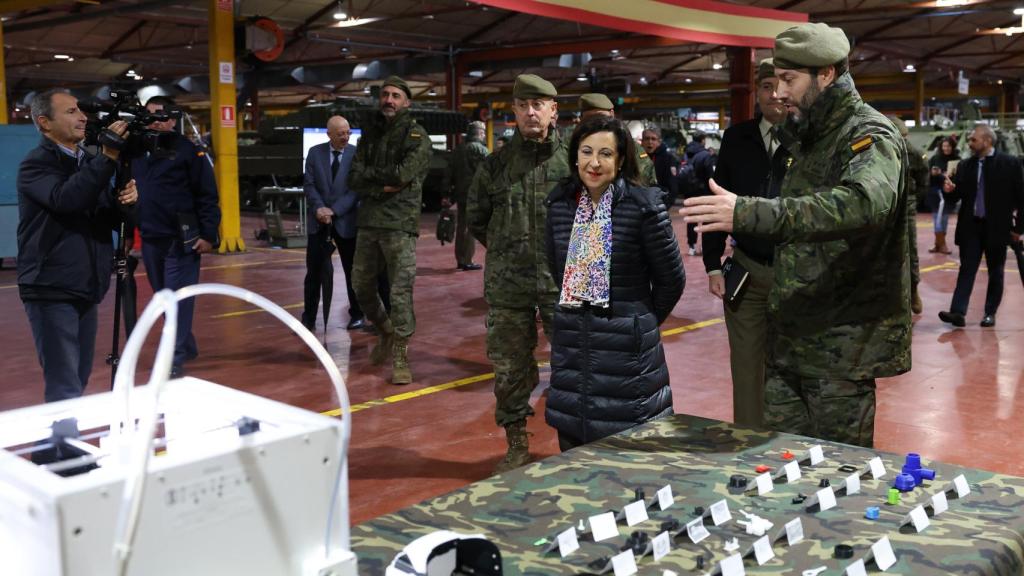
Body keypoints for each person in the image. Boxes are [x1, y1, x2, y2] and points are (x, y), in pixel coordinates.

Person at [680, 22, 912, 448]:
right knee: (784, 462)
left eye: (789, 80)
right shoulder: (808, 134)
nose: (779, 91)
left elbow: (864, 203)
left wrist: (748, 212)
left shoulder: (867, 135)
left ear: (826, 74)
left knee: (840, 472)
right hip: (790, 334)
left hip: (840, 345)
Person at [544, 116, 684, 450]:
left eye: (606, 154)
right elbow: (555, 265)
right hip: (572, 347)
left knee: (629, 452)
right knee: (575, 450)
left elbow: (671, 279)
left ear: (621, 160)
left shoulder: (643, 206)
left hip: (627, 352)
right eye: (586, 151)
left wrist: (638, 320)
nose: (594, 162)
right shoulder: (560, 204)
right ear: (575, 156)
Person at [467, 74, 570, 473]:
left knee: (575, 361)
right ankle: (516, 442)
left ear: (553, 110)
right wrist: (510, 250)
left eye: (539, 104)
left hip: (564, 281)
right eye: (523, 105)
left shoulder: (574, 162)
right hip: (509, 284)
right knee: (510, 365)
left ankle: (575, 438)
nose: (531, 112)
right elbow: (478, 219)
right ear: (513, 111)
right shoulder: (495, 166)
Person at [17, 88, 138, 402]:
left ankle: (56, 450)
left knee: (79, 378)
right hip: (51, 285)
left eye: (81, 111)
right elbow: (67, 199)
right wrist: (107, 158)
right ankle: (62, 450)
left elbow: (101, 217)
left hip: (86, 284)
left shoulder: (88, 161)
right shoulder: (37, 164)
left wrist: (124, 203)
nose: (83, 117)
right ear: (44, 122)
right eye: (71, 112)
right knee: (65, 384)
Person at [701, 58, 790, 429]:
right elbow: (717, 199)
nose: (775, 95)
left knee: (791, 367)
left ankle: (789, 445)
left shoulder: (812, 139)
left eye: (782, 86)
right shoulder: (737, 138)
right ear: (758, 93)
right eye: (766, 87)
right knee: (747, 367)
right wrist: (711, 263)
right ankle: (749, 446)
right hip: (747, 269)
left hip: (795, 272)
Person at [348, 76, 432, 385]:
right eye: (385, 94)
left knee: (400, 291)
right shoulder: (368, 137)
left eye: (396, 95)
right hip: (369, 221)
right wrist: (380, 183)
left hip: (399, 223)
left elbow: (401, 175)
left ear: (407, 102)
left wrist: (377, 181)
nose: (389, 100)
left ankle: (400, 355)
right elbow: (353, 178)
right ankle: (384, 330)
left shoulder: (416, 136)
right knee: (360, 285)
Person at [133, 95, 220, 377]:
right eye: (148, 115)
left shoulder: (188, 151)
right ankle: (186, 343)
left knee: (177, 299)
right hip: (150, 236)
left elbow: (207, 195)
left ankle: (174, 356)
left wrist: (208, 234)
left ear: (172, 119)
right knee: (163, 296)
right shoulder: (138, 151)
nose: (153, 120)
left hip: (180, 238)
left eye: (159, 115)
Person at [301, 115, 388, 332]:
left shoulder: (355, 155)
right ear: (329, 134)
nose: (345, 137)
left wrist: (335, 210)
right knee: (314, 273)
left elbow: (356, 189)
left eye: (348, 133)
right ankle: (308, 318)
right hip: (319, 222)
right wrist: (319, 208)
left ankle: (357, 315)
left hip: (346, 223)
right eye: (340, 134)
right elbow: (309, 185)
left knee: (353, 272)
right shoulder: (315, 153)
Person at [938, 124, 1024, 328]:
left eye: (973, 139)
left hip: (997, 227)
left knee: (996, 270)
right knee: (967, 268)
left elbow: (1021, 199)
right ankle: (958, 312)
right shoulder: (966, 165)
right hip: (971, 227)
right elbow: (959, 195)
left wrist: (1018, 229)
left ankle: (990, 313)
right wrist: (950, 190)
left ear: (987, 141)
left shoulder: (1010, 164)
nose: (970, 143)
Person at [889, 115, 927, 315]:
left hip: (907, 203)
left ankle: (913, 290)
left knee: (910, 249)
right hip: (887, 203)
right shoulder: (881, 149)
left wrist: (914, 198)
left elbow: (923, 177)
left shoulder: (913, 153)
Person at [577, 93, 656, 186]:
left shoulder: (630, 147)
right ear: (581, 119)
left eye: (601, 116)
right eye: (590, 118)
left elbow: (647, 182)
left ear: (612, 114)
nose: (596, 123)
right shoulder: (572, 147)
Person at [445, 121, 488, 271]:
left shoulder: (458, 150)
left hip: (460, 194)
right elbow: (489, 173)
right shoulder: (481, 150)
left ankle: (460, 259)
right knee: (471, 228)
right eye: (483, 133)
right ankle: (467, 260)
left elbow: (448, 173)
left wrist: (446, 194)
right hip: (476, 195)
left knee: (462, 226)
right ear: (480, 133)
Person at [679, 132, 716, 255]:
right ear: (703, 140)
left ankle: (692, 246)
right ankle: (706, 246)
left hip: (689, 191)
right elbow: (710, 175)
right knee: (706, 219)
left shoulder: (686, 153)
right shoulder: (705, 155)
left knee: (692, 219)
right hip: (704, 191)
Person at [928, 137, 959, 254]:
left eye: (949, 146)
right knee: (937, 219)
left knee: (944, 219)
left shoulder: (957, 160)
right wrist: (933, 173)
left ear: (953, 147)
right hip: (936, 194)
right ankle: (942, 244)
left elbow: (960, 176)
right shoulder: (935, 158)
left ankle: (938, 244)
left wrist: (950, 176)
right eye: (944, 146)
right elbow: (927, 174)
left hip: (949, 194)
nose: (946, 148)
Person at [640, 125, 681, 207]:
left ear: (659, 141)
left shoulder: (668, 159)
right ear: (642, 141)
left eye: (653, 139)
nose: (650, 142)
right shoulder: (637, 158)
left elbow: (672, 187)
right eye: (647, 138)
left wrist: (664, 206)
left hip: (658, 205)